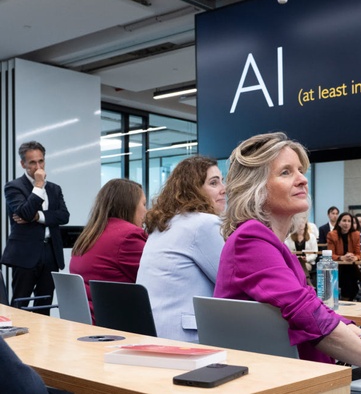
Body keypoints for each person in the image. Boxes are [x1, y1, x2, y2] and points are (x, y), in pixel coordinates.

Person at [214, 132, 361, 382]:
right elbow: (310, 317)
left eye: (301, 171)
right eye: (286, 172)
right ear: (255, 187)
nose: (303, 179)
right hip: (296, 382)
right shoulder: (251, 239)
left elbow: (318, 309)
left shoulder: (272, 244)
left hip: (304, 375)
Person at [137, 156, 225, 342]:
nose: (224, 189)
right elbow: (230, 281)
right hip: (186, 338)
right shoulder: (204, 223)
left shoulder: (165, 224)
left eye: (222, 181)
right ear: (193, 190)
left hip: (154, 330)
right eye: (214, 183)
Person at [1, 141, 70, 315]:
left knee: (45, 303)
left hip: (50, 252)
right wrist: (38, 185)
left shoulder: (55, 189)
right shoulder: (13, 187)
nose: (38, 167)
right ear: (23, 164)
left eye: (41, 161)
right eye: (32, 163)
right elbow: (24, 212)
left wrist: (39, 216)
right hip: (25, 253)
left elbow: (63, 216)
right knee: (20, 303)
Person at [70, 178, 147, 323]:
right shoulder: (128, 236)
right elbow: (156, 278)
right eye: (143, 204)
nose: (146, 210)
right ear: (129, 205)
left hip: (87, 322)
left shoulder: (90, 234)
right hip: (114, 324)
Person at [327, 212, 361, 301]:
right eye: (344, 221)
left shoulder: (356, 234)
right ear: (339, 223)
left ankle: (345, 299)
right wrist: (341, 257)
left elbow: (358, 253)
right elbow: (331, 254)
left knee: (351, 281)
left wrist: (355, 257)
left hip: (351, 265)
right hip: (338, 265)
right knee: (348, 279)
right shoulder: (332, 235)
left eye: (349, 221)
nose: (346, 223)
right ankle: (345, 299)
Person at [284, 214, 318, 286]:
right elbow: (287, 252)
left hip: (308, 263)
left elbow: (315, 253)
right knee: (299, 263)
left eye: (302, 222)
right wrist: (296, 258)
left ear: (305, 224)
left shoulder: (311, 237)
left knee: (302, 264)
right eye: (298, 223)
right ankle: (307, 282)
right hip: (293, 262)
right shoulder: (289, 238)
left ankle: (300, 285)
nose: (300, 225)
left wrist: (307, 259)